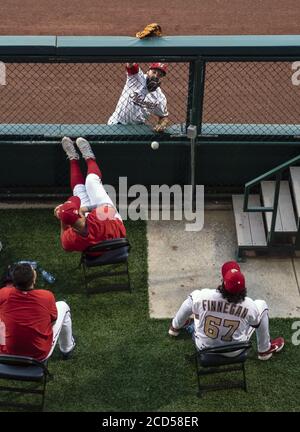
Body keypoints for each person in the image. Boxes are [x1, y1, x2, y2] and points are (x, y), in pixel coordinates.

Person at [168, 261, 285, 361]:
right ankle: (264, 350)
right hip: (235, 350)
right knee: (262, 305)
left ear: (223, 282)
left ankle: (175, 327)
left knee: (193, 305)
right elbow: (255, 323)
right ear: (243, 287)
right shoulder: (250, 305)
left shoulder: (203, 295)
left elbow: (189, 305)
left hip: (204, 348)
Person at [55, 136, 126, 252]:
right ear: (80, 215)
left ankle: (73, 158)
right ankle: (89, 157)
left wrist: (64, 220)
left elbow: (65, 246)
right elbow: (109, 209)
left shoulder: (71, 238)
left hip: (98, 251)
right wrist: (85, 209)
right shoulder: (97, 219)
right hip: (111, 220)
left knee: (78, 190)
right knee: (91, 182)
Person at [0, 263, 75, 360]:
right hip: (38, 355)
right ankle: (67, 348)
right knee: (63, 305)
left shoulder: (4, 293)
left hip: (7, 352)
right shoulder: (46, 296)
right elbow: (53, 322)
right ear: (34, 279)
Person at [108, 62, 169, 132]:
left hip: (137, 129)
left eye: (159, 75)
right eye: (154, 72)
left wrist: (162, 125)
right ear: (148, 71)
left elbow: (163, 117)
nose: (155, 76)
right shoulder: (137, 78)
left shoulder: (160, 97)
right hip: (117, 124)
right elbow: (130, 65)